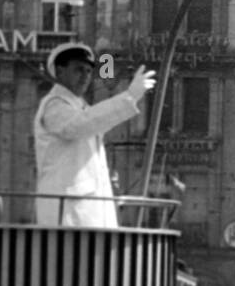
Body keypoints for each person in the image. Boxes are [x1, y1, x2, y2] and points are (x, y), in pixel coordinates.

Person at [33, 42, 156, 228]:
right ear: (60, 71)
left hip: (86, 210)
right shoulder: (54, 105)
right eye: (79, 70)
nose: (85, 77)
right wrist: (129, 96)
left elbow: (91, 121)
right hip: (67, 210)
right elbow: (79, 125)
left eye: (89, 72)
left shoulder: (78, 106)